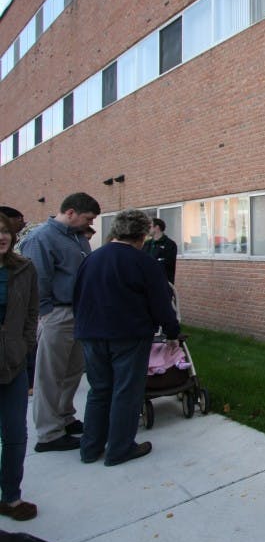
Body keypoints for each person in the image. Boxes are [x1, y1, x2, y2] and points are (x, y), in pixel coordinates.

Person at [73, 209, 180, 466]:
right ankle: (120, 448)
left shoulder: (92, 259)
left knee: (99, 390)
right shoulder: (145, 263)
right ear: (142, 235)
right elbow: (161, 303)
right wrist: (172, 331)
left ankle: (90, 448)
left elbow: (76, 296)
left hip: (91, 334)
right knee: (126, 392)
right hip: (128, 335)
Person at [19, 192, 101, 453]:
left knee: (73, 370)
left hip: (79, 314)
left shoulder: (77, 238)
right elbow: (38, 279)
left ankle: (64, 417)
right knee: (50, 375)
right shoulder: (41, 238)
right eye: (88, 218)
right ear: (71, 213)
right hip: (57, 314)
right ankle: (48, 433)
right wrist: (46, 313)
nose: (90, 224)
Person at [0, 212, 39, 521]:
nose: (1, 236)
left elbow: (30, 311)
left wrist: (25, 345)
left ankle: (11, 497)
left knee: (16, 433)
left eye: (4, 231)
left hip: (12, 364)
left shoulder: (24, 268)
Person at [142, 218, 177, 284]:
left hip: (163, 283)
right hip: (147, 283)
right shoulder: (146, 244)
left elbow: (167, 264)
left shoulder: (170, 244)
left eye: (150, 227)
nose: (147, 229)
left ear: (157, 227)